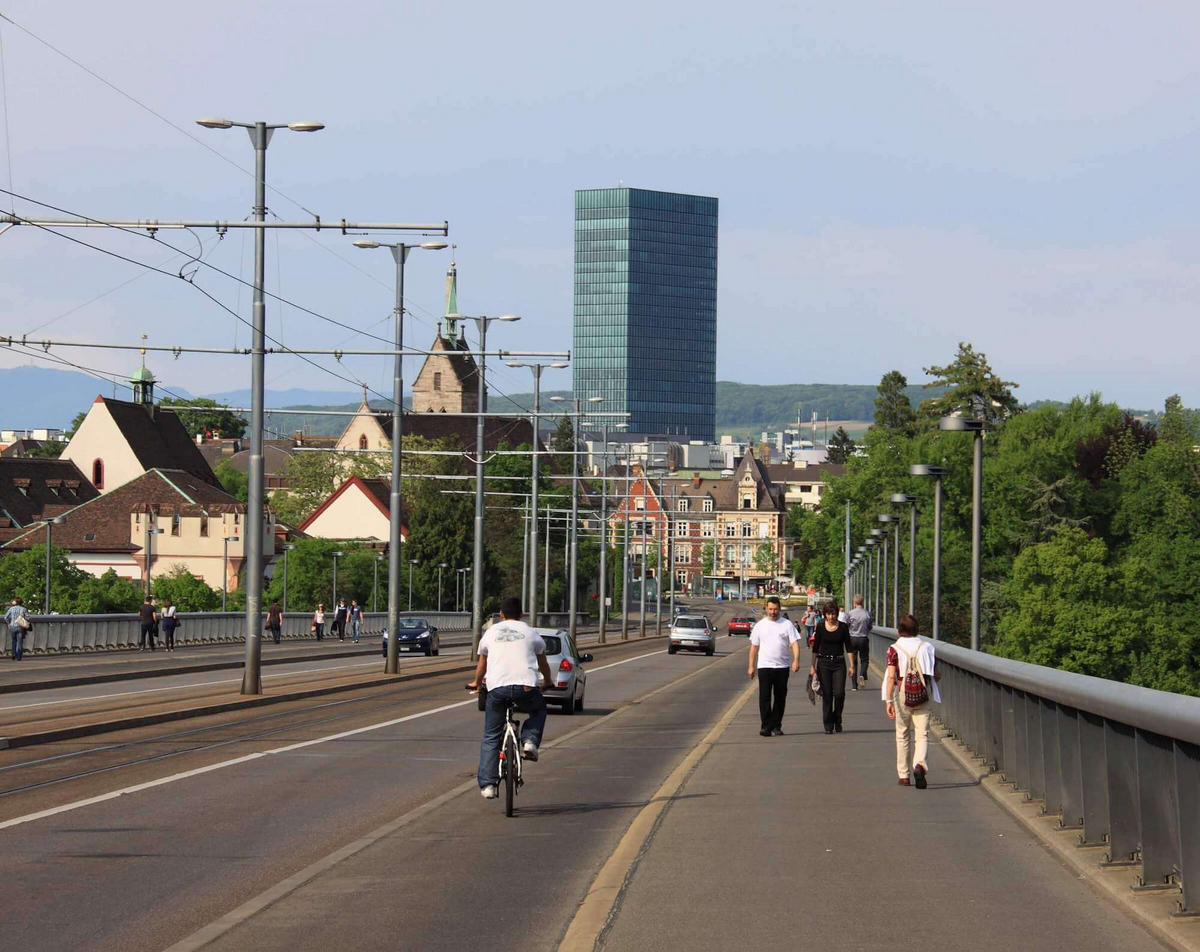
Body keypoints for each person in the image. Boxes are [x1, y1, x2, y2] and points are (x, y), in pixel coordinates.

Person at [467, 596, 553, 801]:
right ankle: (530, 741)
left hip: (497, 688)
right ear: (522, 614)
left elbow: (481, 667)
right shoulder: (530, 632)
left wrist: (476, 684)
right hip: (525, 686)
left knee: (491, 735)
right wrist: (547, 681)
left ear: (501, 614)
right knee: (539, 708)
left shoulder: (490, 633)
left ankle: (488, 785)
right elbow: (543, 664)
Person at [885, 614, 941, 788]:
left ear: (899, 631)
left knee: (902, 734)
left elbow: (891, 676)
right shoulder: (928, 647)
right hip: (922, 693)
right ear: (917, 630)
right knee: (922, 733)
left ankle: (903, 775)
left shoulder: (893, 649)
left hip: (902, 693)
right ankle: (919, 764)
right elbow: (936, 675)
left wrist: (888, 701)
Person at [747, 595, 801, 737]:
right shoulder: (760, 626)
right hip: (764, 666)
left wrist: (796, 660)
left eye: (775, 609)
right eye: (770, 609)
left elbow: (795, 643)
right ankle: (766, 726)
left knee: (780, 697)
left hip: (782, 667)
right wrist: (751, 666)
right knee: (764, 697)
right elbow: (754, 647)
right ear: (766, 608)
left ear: (779, 609)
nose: (772, 612)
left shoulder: (787, 624)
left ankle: (776, 725)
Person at [809, 600, 855, 734]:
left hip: (839, 663)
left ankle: (837, 717)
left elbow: (849, 647)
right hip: (823, 663)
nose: (831, 617)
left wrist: (852, 665)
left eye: (833, 613)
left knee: (840, 693)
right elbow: (815, 648)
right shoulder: (821, 627)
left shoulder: (843, 627)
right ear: (825, 615)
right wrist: (812, 666)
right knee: (827, 694)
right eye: (828, 614)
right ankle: (828, 723)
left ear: (837, 613)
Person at [845, 594, 873, 690]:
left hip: (852, 638)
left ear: (854, 603)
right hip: (863, 638)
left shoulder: (850, 613)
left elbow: (846, 624)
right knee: (864, 659)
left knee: (853, 662)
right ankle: (862, 674)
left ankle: (854, 685)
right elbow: (870, 626)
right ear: (862, 602)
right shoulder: (867, 614)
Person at [5, 597, 31, 661]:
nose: (12, 602)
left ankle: (14, 654)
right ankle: (19, 657)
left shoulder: (11, 609)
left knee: (14, 641)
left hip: (12, 627)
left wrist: (8, 624)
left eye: (13, 601)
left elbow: (6, 617)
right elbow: (28, 618)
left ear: (16, 602)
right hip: (20, 627)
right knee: (20, 642)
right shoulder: (23, 609)